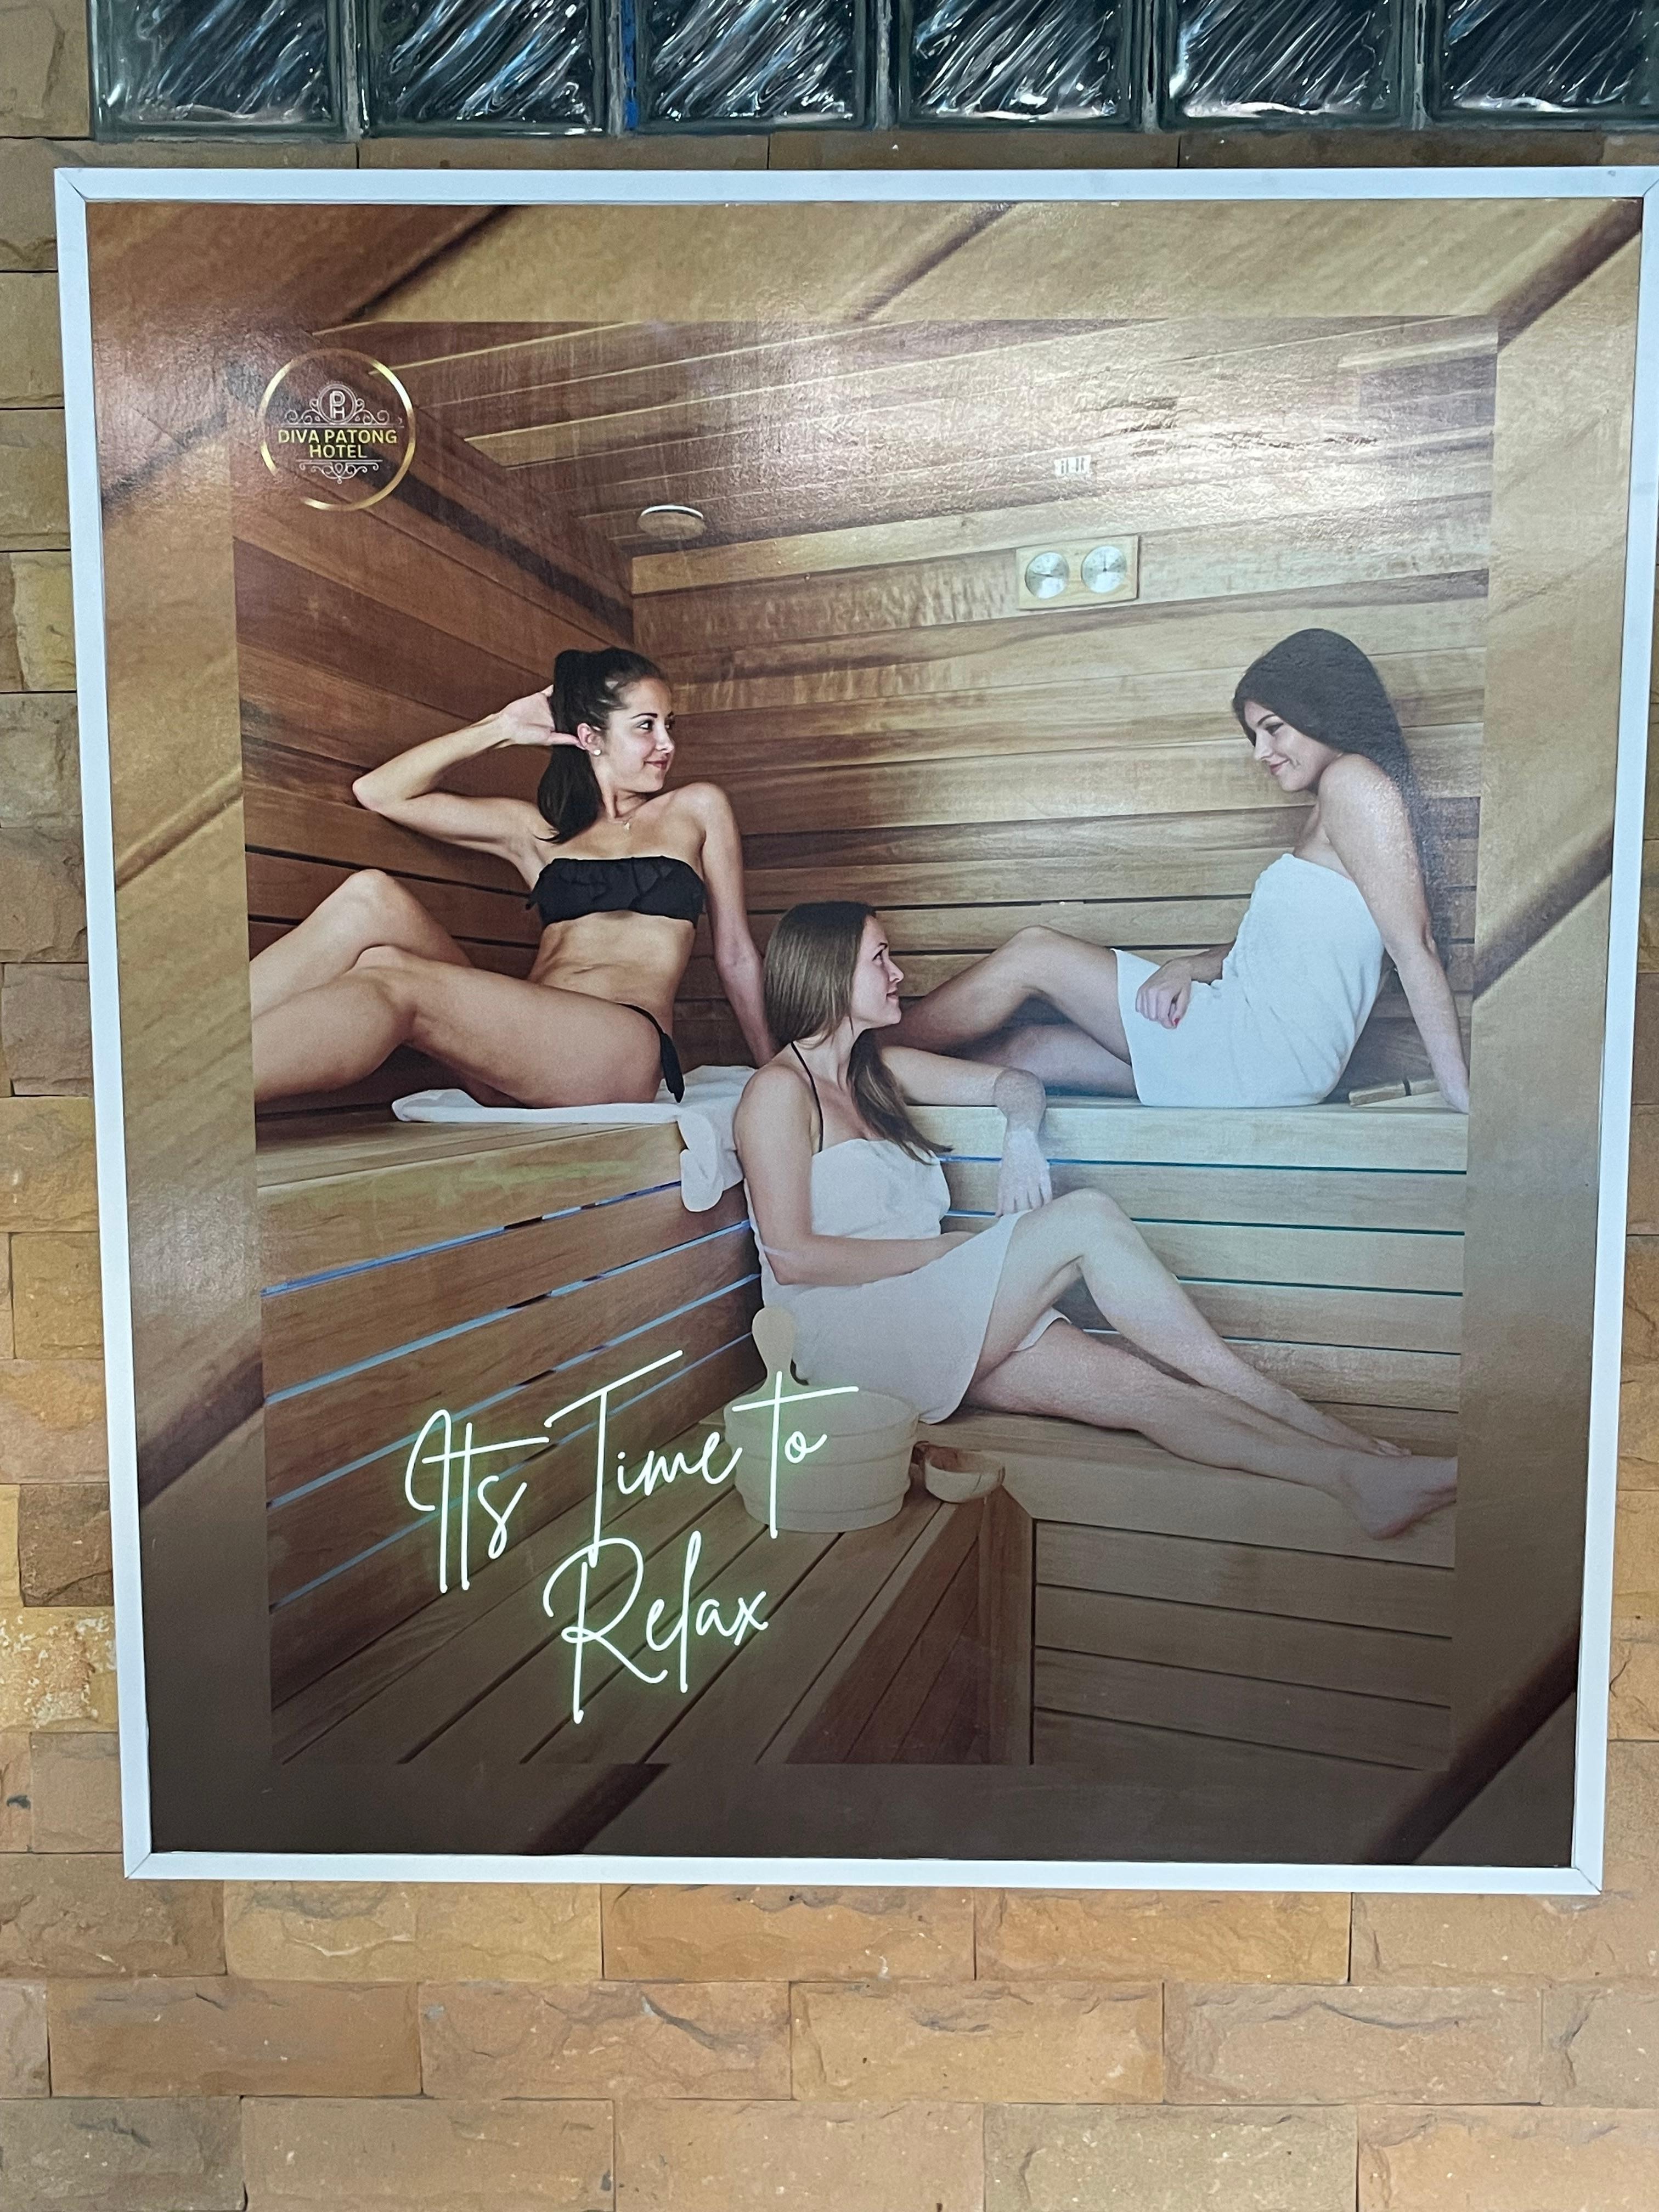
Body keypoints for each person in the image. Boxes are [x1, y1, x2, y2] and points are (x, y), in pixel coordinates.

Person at [735, 901, 1455, 1541]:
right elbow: (794, 1257)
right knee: (1085, 1217)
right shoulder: (777, 1094)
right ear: (831, 973)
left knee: (1140, 1391)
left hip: (926, 1307)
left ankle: (1354, 1479)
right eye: (880, 958)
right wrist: (950, 1249)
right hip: (853, 1336)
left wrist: (1022, 1137)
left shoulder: (879, 1072)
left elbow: (1018, 1083)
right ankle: (1294, 1411)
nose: (899, 973)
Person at [898, 629, 1470, 1113]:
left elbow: (1414, 944)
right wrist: (1186, 967)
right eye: (1255, 734)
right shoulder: (1339, 799)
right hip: (1257, 1051)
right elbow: (1278, 948)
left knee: (1036, 952)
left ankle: (858, 1050)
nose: (1261, 752)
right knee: (1026, 1051)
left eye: (1274, 728)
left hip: (1257, 1050)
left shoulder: (1354, 782)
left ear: (1323, 708)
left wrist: (1459, 1095)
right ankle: (874, 1082)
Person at [249, 646, 772, 1106]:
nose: (666, 743)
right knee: (370, 897)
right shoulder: (538, 833)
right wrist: (499, 729)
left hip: (618, 1049)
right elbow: (380, 793)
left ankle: (213, 1097)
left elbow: (735, 955)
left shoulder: (697, 809)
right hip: (520, 1052)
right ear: (591, 737)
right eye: (646, 726)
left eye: (668, 725)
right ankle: (209, 1051)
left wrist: (777, 1071)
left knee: (390, 975)